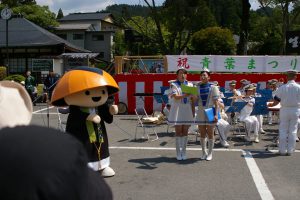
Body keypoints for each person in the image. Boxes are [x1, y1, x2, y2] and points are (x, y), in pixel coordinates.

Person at [0, 125, 112, 200]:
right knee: (87, 148)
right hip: (85, 134)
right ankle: (92, 164)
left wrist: (110, 111)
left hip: (98, 131)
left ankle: (102, 165)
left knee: (101, 147)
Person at [268, 70, 300, 156]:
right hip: (296, 110)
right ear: (295, 76)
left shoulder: (282, 87)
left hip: (284, 109)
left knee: (283, 130)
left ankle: (282, 150)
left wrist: (270, 105)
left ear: (287, 77)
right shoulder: (299, 87)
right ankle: (290, 150)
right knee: (293, 130)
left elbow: (276, 101)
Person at [168, 68, 194, 161]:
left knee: (185, 131)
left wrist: (194, 95)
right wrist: (186, 95)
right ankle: (178, 153)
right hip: (178, 108)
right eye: (180, 73)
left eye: (184, 73)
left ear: (186, 75)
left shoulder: (190, 84)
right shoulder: (174, 84)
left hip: (187, 108)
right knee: (178, 131)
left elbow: (193, 99)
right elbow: (175, 97)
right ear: (177, 75)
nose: (182, 75)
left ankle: (184, 151)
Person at [195, 69, 219, 161]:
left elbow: (216, 102)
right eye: (201, 75)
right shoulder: (197, 87)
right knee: (202, 132)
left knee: (210, 132)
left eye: (205, 75)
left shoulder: (213, 87)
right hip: (201, 110)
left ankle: (210, 153)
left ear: (209, 77)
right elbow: (195, 99)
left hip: (210, 110)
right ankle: (203, 152)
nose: (203, 77)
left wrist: (216, 114)